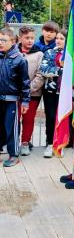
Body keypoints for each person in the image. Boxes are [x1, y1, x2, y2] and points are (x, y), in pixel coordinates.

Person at [0, 27, 29, 167]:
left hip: (11, 101)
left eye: (3, 40)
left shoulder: (19, 59)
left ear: (12, 41)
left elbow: (25, 83)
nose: (0, 43)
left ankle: (13, 154)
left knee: (11, 128)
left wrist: (25, 102)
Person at [36, 29, 66, 158]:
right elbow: (43, 69)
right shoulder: (49, 52)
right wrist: (60, 71)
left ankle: (61, 144)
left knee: (64, 118)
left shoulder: (72, 55)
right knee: (51, 117)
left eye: (61, 38)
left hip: (66, 92)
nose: (58, 41)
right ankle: (49, 143)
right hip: (51, 91)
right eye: (57, 38)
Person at [17, 26, 43, 156]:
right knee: (14, 119)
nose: (30, 40)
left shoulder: (39, 54)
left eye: (32, 38)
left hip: (33, 94)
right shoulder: (13, 52)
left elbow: (40, 75)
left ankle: (25, 143)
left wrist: (27, 90)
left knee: (28, 119)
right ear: (20, 38)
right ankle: (14, 142)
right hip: (14, 94)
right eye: (27, 38)